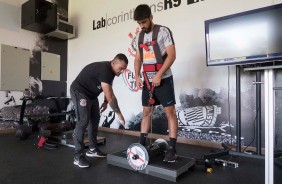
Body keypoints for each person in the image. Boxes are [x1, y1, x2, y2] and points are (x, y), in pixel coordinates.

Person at [133, 4, 178, 163]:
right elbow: (138, 58)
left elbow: (171, 56)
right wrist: (138, 76)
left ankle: (172, 148)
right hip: (147, 82)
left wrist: (159, 75)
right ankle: (142, 144)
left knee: (170, 113)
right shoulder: (139, 37)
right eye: (139, 23)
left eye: (144, 22)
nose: (142, 26)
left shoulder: (163, 32)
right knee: (146, 113)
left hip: (164, 79)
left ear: (151, 17)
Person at [70, 53, 128, 168]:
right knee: (83, 121)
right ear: (113, 62)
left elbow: (108, 88)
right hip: (79, 91)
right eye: (121, 68)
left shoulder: (111, 73)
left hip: (91, 95)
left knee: (95, 120)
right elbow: (111, 96)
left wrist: (106, 102)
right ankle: (78, 156)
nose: (122, 71)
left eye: (124, 69)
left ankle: (92, 149)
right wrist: (119, 114)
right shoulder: (104, 69)